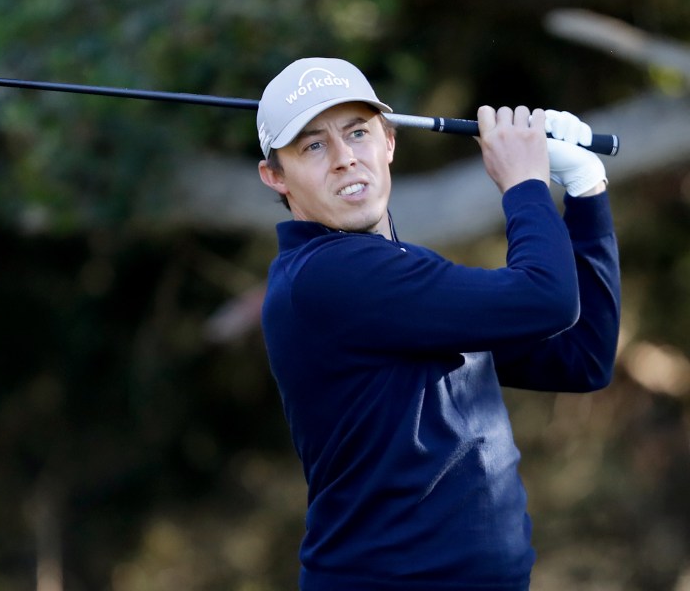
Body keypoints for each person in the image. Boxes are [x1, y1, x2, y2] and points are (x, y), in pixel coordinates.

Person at [254, 57, 621, 591]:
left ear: (389, 143)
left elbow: (582, 357)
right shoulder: (327, 277)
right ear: (275, 176)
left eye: (358, 133)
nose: (344, 159)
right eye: (313, 145)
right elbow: (546, 298)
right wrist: (524, 182)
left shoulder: (403, 276)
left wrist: (586, 188)